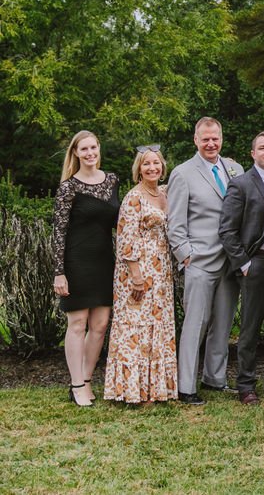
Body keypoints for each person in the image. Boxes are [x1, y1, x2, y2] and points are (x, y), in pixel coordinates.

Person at [167, 116, 245, 405]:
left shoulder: (235, 169)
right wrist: (185, 254)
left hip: (231, 258)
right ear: (196, 140)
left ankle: (215, 378)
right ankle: (186, 386)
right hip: (199, 259)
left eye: (215, 138)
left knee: (224, 322)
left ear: (221, 139)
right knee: (196, 323)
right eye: (205, 139)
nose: (211, 143)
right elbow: (174, 221)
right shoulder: (183, 173)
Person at [218, 131, 264, 405]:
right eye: (262, 148)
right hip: (257, 262)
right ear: (253, 154)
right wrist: (244, 264)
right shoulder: (241, 184)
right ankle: (246, 385)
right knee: (249, 328)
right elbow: (227, 229)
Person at [104, 146, 178, 404]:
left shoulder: (165, 192)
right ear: (139, 168)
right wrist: (136, 276)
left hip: (161, 271)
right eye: (146, 164)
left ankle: (156, 389)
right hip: (138, 271)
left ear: (162, 166)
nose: (152, 168)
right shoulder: (133, 197)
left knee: (158, 325)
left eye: (156, 163)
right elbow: (125, 239)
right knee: (135, 326)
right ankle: (132, 390)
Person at [52, 131, 120, 406]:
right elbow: (58, 231)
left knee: (101, 325)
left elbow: (120, 219)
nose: (90, 152)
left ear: (98, 149)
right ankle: (76, 383)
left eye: (93, 147)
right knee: (77, 324)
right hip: (77, 261)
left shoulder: (112, 180)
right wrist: (59, 271)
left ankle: (88, 379)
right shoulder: (69, 187)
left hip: (105, 261)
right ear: (76, 153)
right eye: (84, 149)